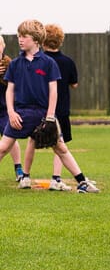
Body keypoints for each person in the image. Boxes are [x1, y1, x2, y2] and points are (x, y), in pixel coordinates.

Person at [0, 19, 100, 193]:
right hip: (20, 114)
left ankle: (82, 182)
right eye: (19, 36)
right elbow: (10, 90)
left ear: (36, 39)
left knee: (61, 148)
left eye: (24, 36)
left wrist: (50, 117)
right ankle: (25, 175)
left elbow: (54, 92)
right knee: (2, 148)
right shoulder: (15, 64)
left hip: (42, 114)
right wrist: (11, 112)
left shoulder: (48, 63)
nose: (20, 39)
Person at [23, 23, 80, 191]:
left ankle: (25, 176)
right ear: (60, 40)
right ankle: (56, 178)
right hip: (61, 109)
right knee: (60, 143)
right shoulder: (68, 62)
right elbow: (74, 84)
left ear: (42, 40)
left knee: (32, 140)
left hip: (40, 109)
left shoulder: (37, 60)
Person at [0, 36, 25, 182]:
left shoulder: (10, 64)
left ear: (3, 46)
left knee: (10, 137)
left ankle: (18, 168)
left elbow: (15, 85)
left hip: (5, 109)